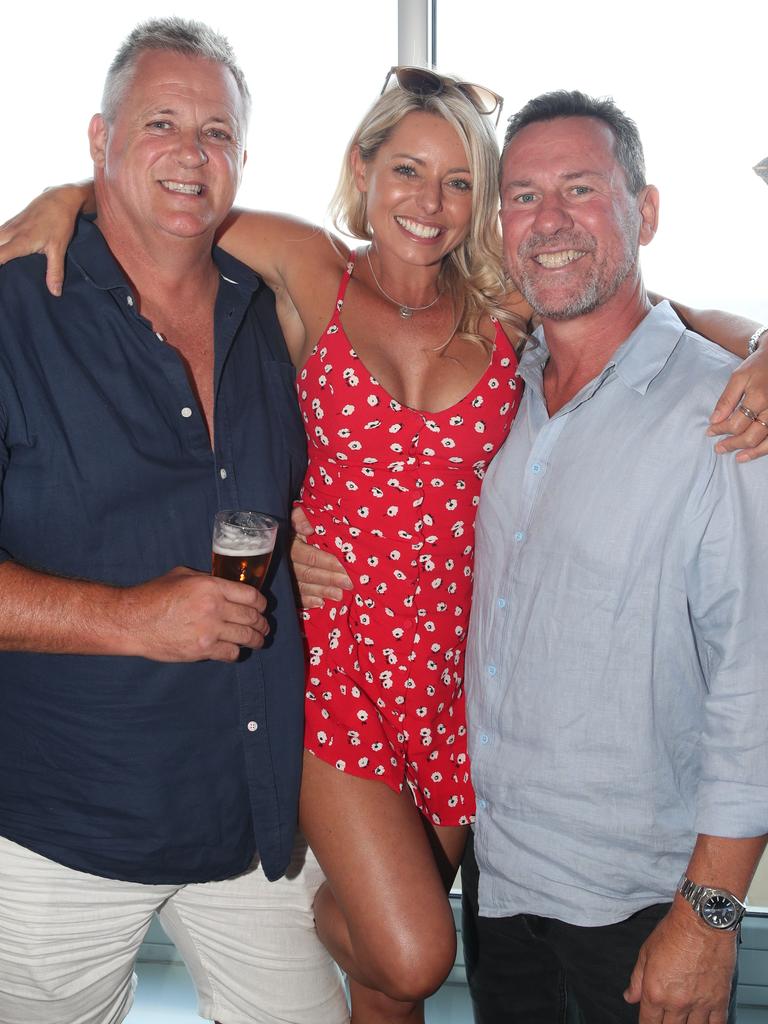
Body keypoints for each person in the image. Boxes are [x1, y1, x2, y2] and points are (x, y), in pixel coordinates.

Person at [4, 72, 768, 1024]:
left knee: (381, 987)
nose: (429, 201)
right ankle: (308, 908)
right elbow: (166, 208)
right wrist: (64, 196)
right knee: (411, 952)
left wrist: (767, 343)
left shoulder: (506, 312)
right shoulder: (309, 268)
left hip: (461, 689)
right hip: (338, 666)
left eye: (458, 182)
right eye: (407, 169)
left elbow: (672, 319)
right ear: (362, 169)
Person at [0, 18, 347, 1024]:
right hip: (62, 829)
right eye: (161, 123)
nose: (193, 154)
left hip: (249, 818)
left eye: (218, 133)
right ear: (98, 139)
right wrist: (128, 620)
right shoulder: (18, 313)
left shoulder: (265, 313)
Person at [460, 89, 768, 1023]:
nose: (548, 222)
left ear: (647, 211)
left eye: (582, 190)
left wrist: (711, 917)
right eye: (522, 196)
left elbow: (755, 683)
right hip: (500, 883)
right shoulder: (493, 393)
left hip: (643, 906)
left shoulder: (726, 418)